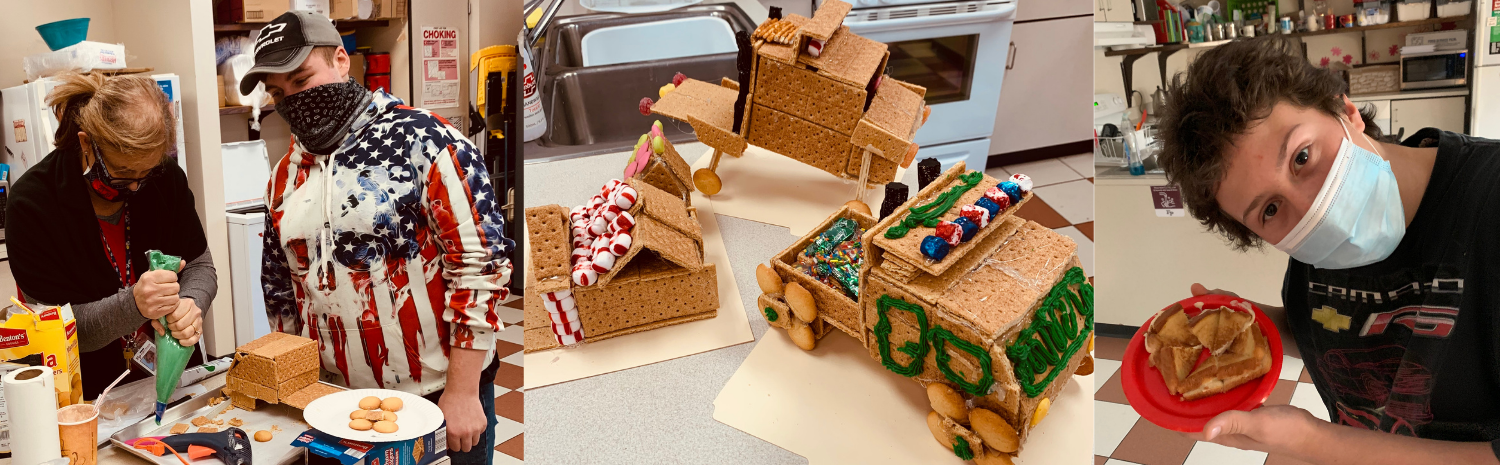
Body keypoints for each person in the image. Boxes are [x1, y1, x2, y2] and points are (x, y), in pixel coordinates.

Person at [1155, 36, 1500, 463]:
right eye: (1270, 209)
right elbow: (1341, 332)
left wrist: (1312, 442)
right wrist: (1252, 326)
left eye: (1301, 157)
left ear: (1345, 112)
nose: (1312, 213)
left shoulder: (1489, 201)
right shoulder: (1311, 259)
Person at [245, 11, 512, 463]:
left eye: (300, 78)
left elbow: (480, 265)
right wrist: (290, 382)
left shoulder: (425, 140)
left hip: (440, 393)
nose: (291, 99)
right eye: (277, 92)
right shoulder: (283, 177)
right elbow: (281, 289)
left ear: (341, 61)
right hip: (333, 401)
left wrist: (464, 392)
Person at [6, 72, 211, 399]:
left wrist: (191, 303)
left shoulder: (165, 178)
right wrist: (135, 304)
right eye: (123, 173)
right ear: (87, 143)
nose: (134, 186)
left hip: (172, 376)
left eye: (145, 173)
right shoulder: (33, 204)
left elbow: (200, 265)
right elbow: (59, 329)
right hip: (86, 394)